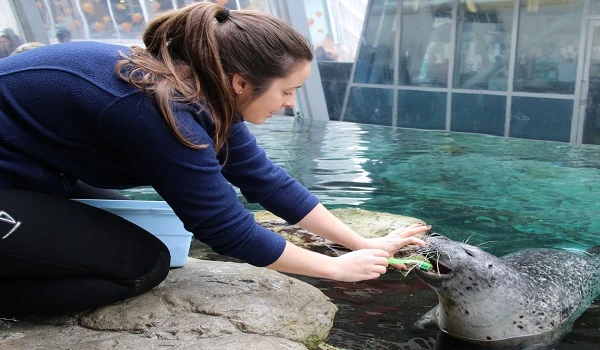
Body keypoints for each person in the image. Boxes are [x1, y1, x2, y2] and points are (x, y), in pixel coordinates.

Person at [0, 2, 429, 319]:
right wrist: (332, 268)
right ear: (241, 81)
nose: (289, 104)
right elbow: (223, 227)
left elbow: (265, 181)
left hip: (28, 168)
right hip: (17, 175)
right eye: (286, 91)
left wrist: (361, 243)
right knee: (142, 266)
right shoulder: (155, 109)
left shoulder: (201, 92)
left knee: (128, 234)